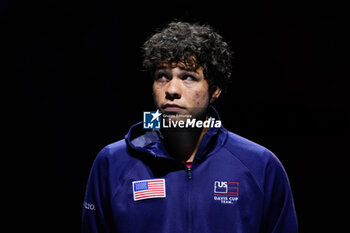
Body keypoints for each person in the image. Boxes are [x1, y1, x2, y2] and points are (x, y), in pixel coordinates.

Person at [82, 21, 298, 233]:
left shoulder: (260, 166)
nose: (172, 89)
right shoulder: (112, 162)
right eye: (162, 77)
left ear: (214, 90)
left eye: (188, 77)